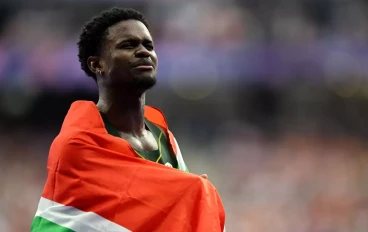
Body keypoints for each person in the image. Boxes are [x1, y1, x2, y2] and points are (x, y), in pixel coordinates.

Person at [31, 7, 225, 232]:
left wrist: (193, 193)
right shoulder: (77, 144)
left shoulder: (164, 137)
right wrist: (196, 190)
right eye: (128, 45)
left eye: (149, 45)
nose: (144, 52)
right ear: (97, 64)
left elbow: (170, 215)